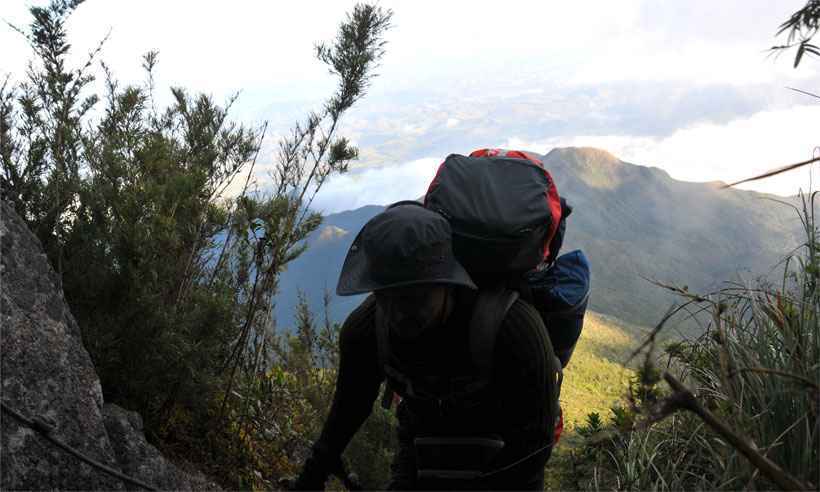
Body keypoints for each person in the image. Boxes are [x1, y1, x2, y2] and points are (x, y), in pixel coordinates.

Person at [293, 202, 560, 491]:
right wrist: (310, 477)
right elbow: (347, 411)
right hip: (422, 449)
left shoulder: (512, 328)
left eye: (413, 297)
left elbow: (533, 446)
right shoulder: (366, 332)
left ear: (447, 283)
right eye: (385, 296)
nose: (397, 313)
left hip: (506, 456)